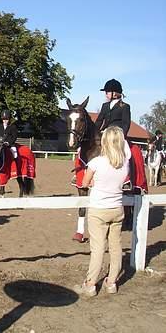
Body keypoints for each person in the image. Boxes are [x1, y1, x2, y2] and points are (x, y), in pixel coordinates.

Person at [74, 126, 129, 297]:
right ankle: (111, 283)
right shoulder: (124, 164)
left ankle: (90, 285)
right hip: (117, 209)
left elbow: (84, 183)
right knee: (115, 247)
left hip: (99, 210)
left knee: (98, 248)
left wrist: (91, 183)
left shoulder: (96, 162)